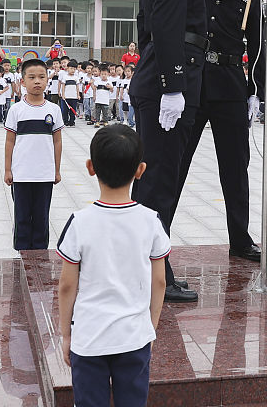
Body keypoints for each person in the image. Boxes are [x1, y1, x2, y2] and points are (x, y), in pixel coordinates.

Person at [111, 0, 267, 265]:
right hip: (189, 82)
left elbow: (258, 47)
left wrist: (255, 91)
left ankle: (240, 237)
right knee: (171, 164)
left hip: (228, 81)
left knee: (235, 165)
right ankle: (158, 243)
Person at [125, 0, 207, 303]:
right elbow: (168, 26)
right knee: (160, 182)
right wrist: (174, 86)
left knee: (158, 179)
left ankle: (148, 264)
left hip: (161, 80)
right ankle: (153, 271)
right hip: (168, 83)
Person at [56, 124, 168, 407]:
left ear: (90, 167)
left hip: (89, 337)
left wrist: (66, 333)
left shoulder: (78, 222)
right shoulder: (151, 221)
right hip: (134, 336)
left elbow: (67, 285)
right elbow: (159, 282)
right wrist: (150, 327)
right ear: (140, 170)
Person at [3, 59, 64, 251]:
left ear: (48, 80)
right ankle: (22, 254)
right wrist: (7, 169)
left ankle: (40, 254)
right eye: (31, 77)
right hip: (21, 174)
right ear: (22, 81)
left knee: (42, 216)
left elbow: (57, 141)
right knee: (22, 217)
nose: (37, 81)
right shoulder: (16, 110)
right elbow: (9, 141)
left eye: (41, 77)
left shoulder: (53, 110)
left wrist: (56, 170)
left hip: (45, 175)